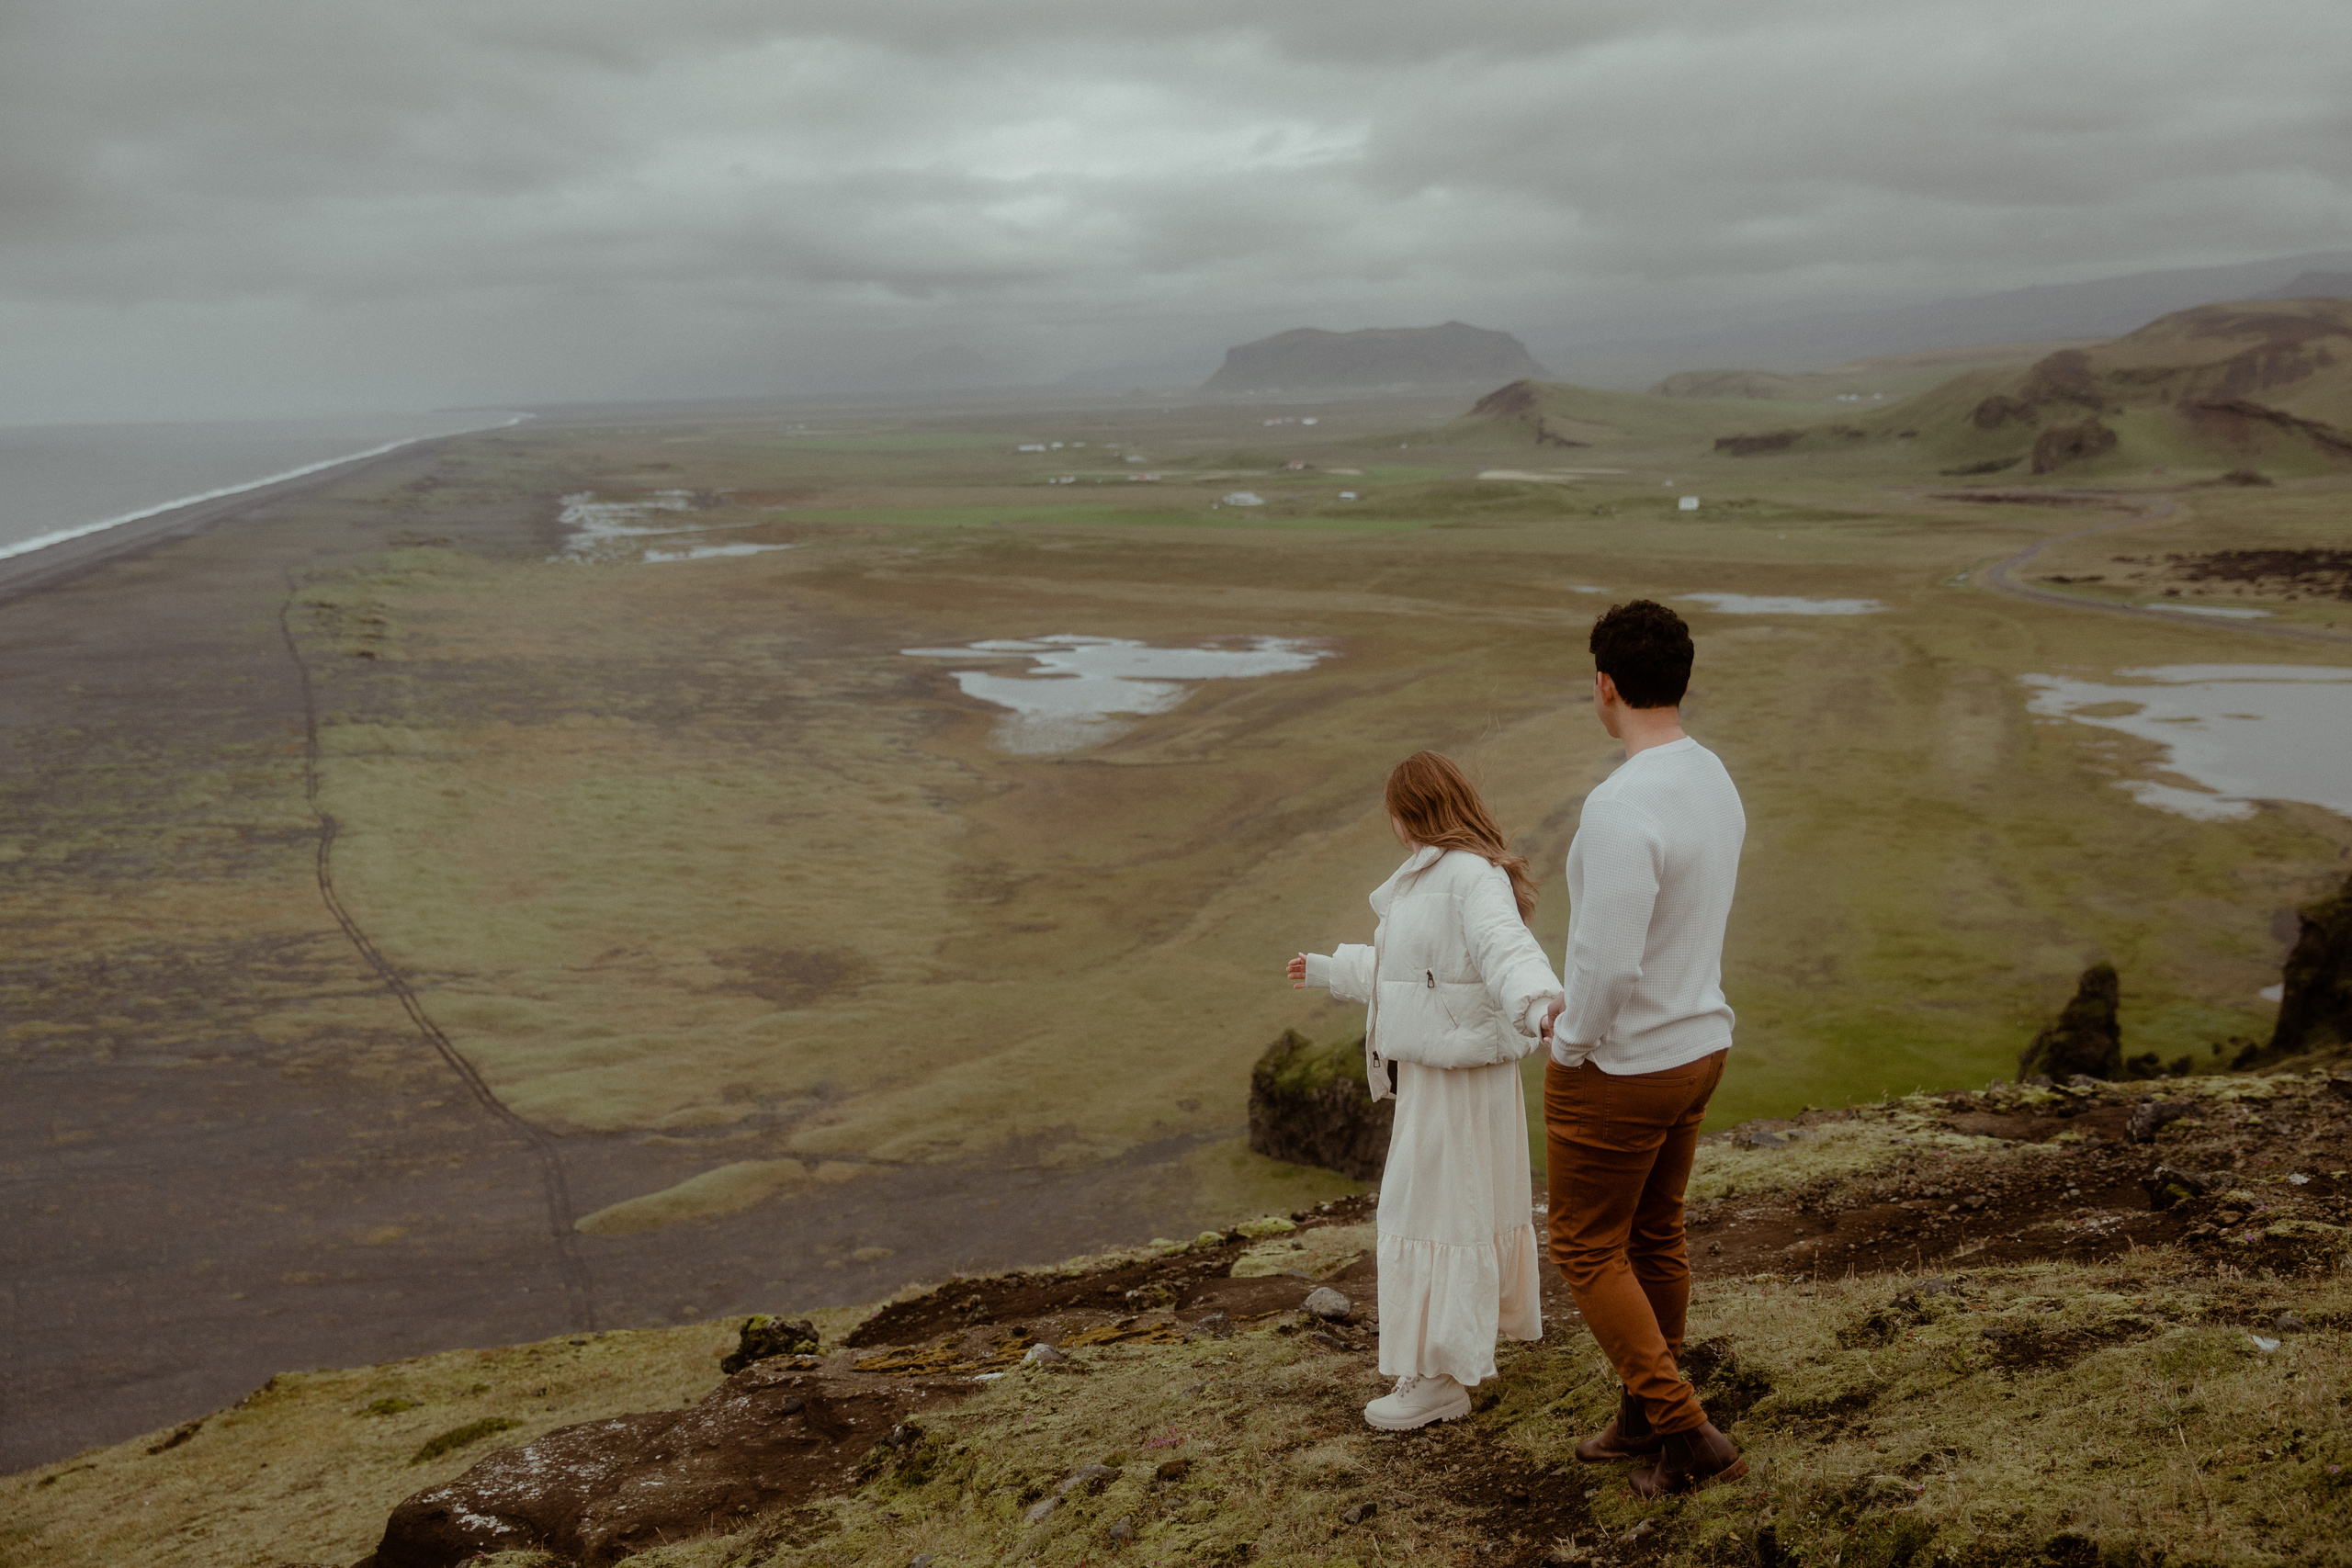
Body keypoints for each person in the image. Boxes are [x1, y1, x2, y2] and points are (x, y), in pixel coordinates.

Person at [1286, 751, 1563, 1431]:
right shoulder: (1444, 876)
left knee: (1429, 1216)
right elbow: (1411, 970)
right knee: (1450, 1213)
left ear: (1413, 812)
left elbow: (1506, 949)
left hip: (1454, 1082)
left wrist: (1540, 1002)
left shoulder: (1468, 877)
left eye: (1397, 814)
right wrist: (1331, 968)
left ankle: (1437, 1379)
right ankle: (1448, 1358)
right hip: (1456, 1075)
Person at [1540, 600, 1748, 1495]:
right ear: (1685, 681)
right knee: (1655, 1233)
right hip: (1700, 1044)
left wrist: (1570, 1040)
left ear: (1604, 687)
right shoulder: (1712, 777)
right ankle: (1642, 1412)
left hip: (1624, 1064)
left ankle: (1685, 1432)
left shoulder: (1620, 804)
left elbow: (1607, 959)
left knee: (1587, 1247)